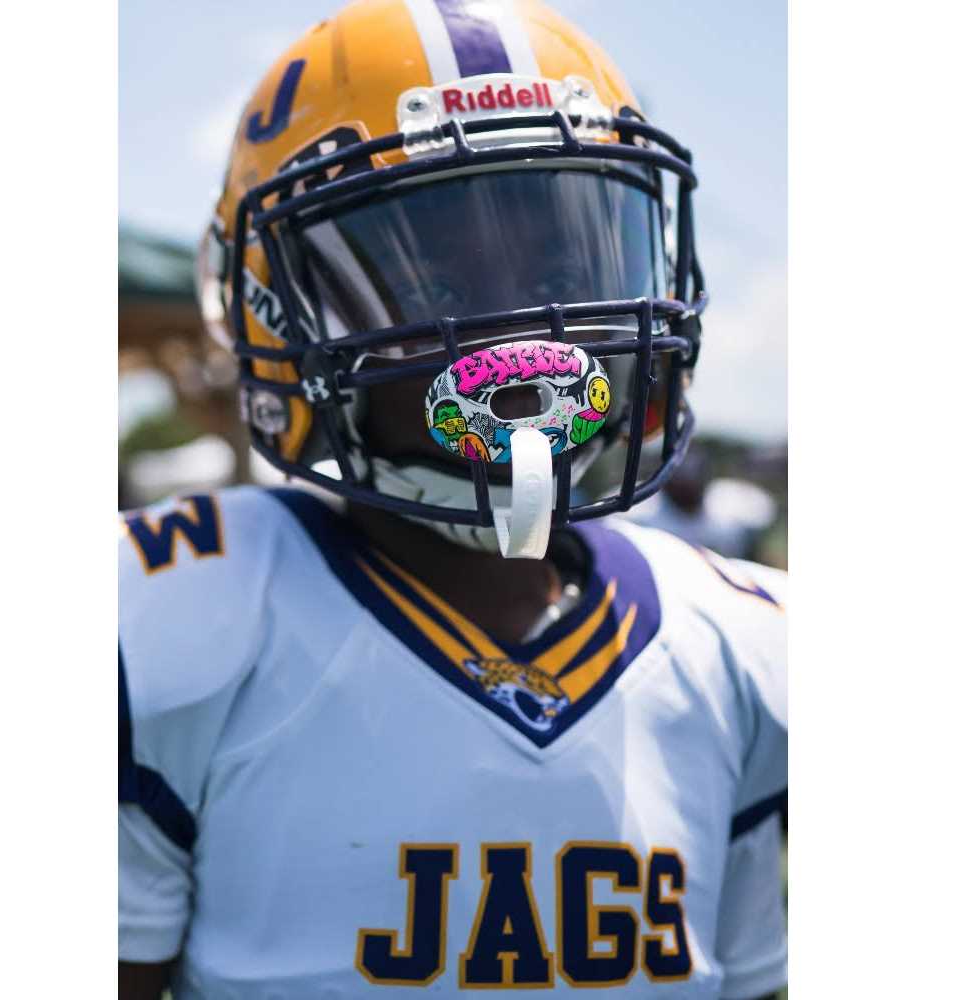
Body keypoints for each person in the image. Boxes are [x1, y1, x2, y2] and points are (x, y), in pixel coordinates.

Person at [119, 1, 786, 997]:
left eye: (562, 259)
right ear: (272, 309)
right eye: (431, 274)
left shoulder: (738, 648)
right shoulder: (169, 625)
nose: (521, 323)